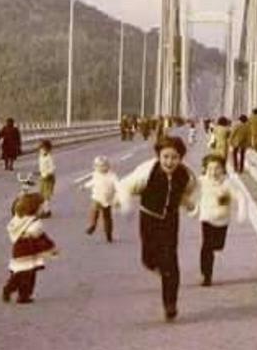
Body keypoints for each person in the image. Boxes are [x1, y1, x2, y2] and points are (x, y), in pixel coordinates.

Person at [116, 136, 197, 322]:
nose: (170, 162)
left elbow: (187, 193)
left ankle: (170, 304)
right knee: (149, 258)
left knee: (171, 262)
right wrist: (126, 206)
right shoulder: (147, 172)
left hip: (170, 221)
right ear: (159, 156)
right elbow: (124, 186)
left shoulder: (185, 175)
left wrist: (191, 206)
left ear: (180, 158)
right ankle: (154, 265)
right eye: (166, 157)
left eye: (174, 157)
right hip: (149, 219)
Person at [190, 155, 247, 286]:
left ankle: (207, 269)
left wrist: (241, 213)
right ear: (205, 169)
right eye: (210, 168)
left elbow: (240, 196)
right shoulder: (201, 182)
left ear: (223, 169)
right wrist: (192, 209)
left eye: (217, 168)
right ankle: (206, 276)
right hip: (206, 218)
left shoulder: (227, 184)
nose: (213, 172)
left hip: (222, 220)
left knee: (218, 246)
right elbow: (189, 191)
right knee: (206, 246)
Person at [2, 192, 58, 304]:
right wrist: (51, 247)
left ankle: (17, 292)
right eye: (42, 207)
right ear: (35, 208)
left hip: (19, 250)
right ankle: (18, 293)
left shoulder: (19, 219)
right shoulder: (35, 223)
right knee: (27, 275)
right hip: (28, 251)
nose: (44, 209)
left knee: (22, 273)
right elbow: (41, 237)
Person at [83, 156, 119, 242]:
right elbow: (92, 182)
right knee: (94, 211)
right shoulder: (96, 174)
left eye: (104, 166)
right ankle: (92, 225)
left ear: (108, 166)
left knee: (107, 217)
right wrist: (85, 186)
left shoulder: (112, 176)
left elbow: (117, 184)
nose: (102, 168)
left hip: (107, 199)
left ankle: (108, 234)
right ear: (95, 167)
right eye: (99, 166)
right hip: (97, 197)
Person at [38, 140, 56, 217]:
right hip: (42, 177)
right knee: (41, 194)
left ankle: (46, 211)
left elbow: (52, 168)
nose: (41, 150)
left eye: (43, 149)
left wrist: (48, 174)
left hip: (48, 178)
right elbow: (42, 167)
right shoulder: (41, 157)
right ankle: (44, 209)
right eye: (40, 149)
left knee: (46, 195)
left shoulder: (49, 158)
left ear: (47, 149)